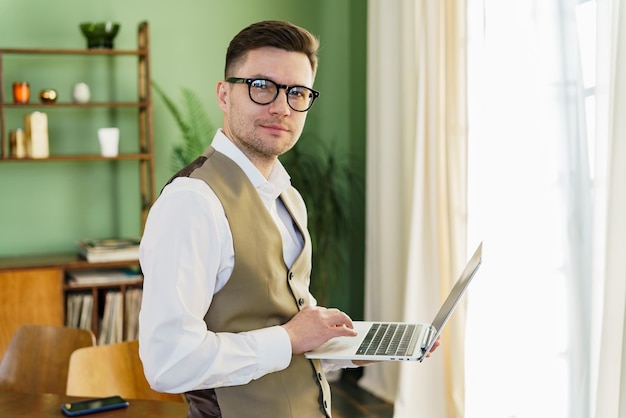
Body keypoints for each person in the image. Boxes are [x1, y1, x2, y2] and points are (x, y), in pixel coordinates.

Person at [138, 20, 438, 418]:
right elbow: (168, 362)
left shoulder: (288, 197)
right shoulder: (192, 202)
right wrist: (289, 338)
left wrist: (354, 350)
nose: (281, 106)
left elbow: (289, 334)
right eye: (262, 86)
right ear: (224, 94)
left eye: (297, 92)